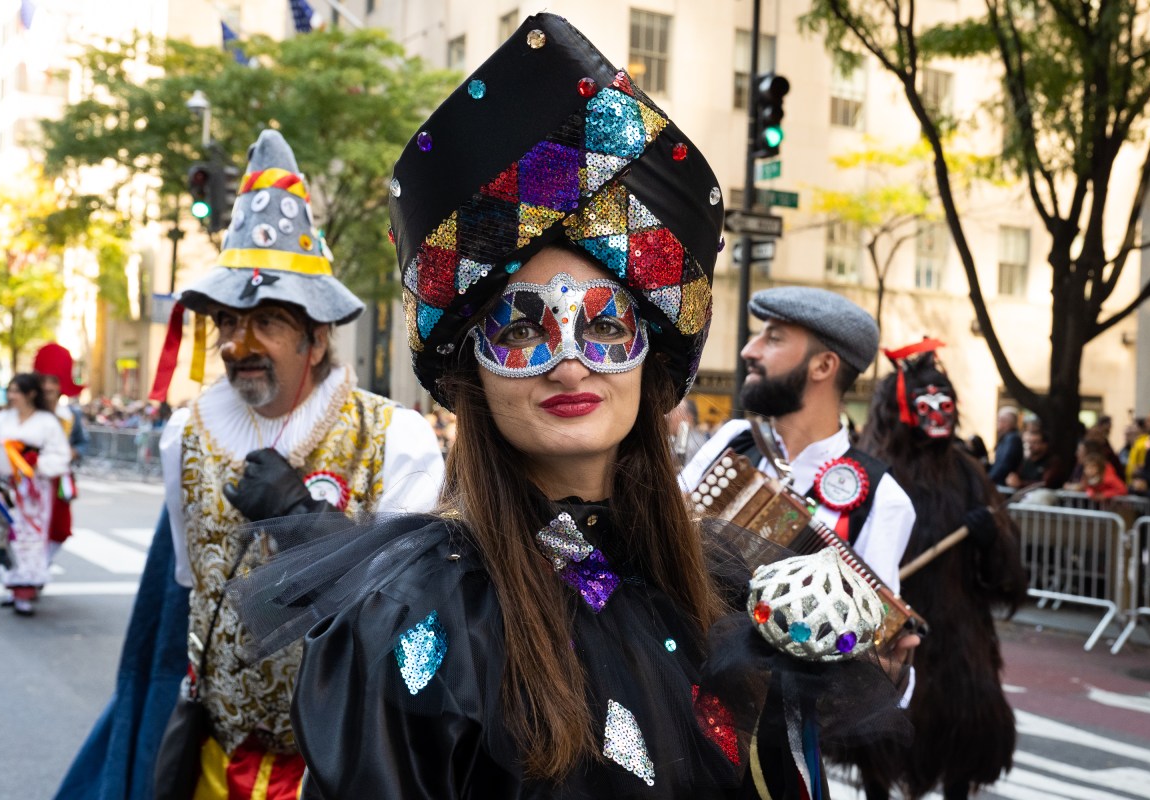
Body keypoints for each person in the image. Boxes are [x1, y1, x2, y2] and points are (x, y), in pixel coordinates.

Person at [232, 15, 907, 799]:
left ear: (650, 355)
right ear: (472, 369)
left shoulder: (713, 587)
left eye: (608, 323)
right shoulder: (408, 621)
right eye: (521, 326)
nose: (570, 360)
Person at [56, 130, 445, 800]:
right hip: (216, 762)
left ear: (317, 336)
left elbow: (412, 618)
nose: (239, 345)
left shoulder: (397, 438)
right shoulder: (184, 436)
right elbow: (184, 591)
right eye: (227, 325)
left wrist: (302, 521)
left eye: (265, 321)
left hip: (339, 772)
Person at [851, 341, 1026, 800]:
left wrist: (991, 537)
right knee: (879, 743)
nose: (937, 413)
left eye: (944, 403)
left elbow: (1007, 577)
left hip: (958, 636)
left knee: (962, 738)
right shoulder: (867, 471)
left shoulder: (967, 474)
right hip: (890, 631)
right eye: (925, 403)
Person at [680, 287, 916, 597]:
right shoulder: (733, 437)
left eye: (774, 339)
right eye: (758, 336)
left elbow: (871, 634)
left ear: (823, 366)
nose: (749, 350)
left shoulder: (884, 500)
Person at [0, 373, 72, 616]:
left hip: (35, 489)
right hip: (7, 486)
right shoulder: (3, 418)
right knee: (8, 535)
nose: (11, 396)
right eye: (9, 391)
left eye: (16, 391)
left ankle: (26, 591)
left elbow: (60, 455)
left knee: (31, 536)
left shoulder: (47, 421)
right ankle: (13, 586)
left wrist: (35, 462)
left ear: (30, 393)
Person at [33, 342, 86, 557]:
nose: (47, 387)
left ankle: (41, 566)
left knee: (60, 529)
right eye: (43, 381)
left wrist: (75, 452)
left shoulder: (71, 416)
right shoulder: (29, 413)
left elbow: (83, 442)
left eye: (53, 381)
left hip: (60, 481)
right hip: (31, 479)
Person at [1007, 424, 1065, 490]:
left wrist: (1021, 484)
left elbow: (1045, 483)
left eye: (1034, 443)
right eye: (1028, 442)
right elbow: (1017, 477)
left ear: (1045, 445)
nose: (1030, 446)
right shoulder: (1025, 462)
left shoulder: (1053, 462)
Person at [987, 407, 1024, 486]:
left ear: (1006, 423)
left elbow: (1004, 464)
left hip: (1003, 485)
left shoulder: (1012, 439)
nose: (997, 423)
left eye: (999, 420)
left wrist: (989, 480)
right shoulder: (1006, 438)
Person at [668, 396, 709, 467]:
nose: (668, 416)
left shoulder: (694, 443)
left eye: (674, 412)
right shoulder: (674, 439)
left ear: (688, 418)